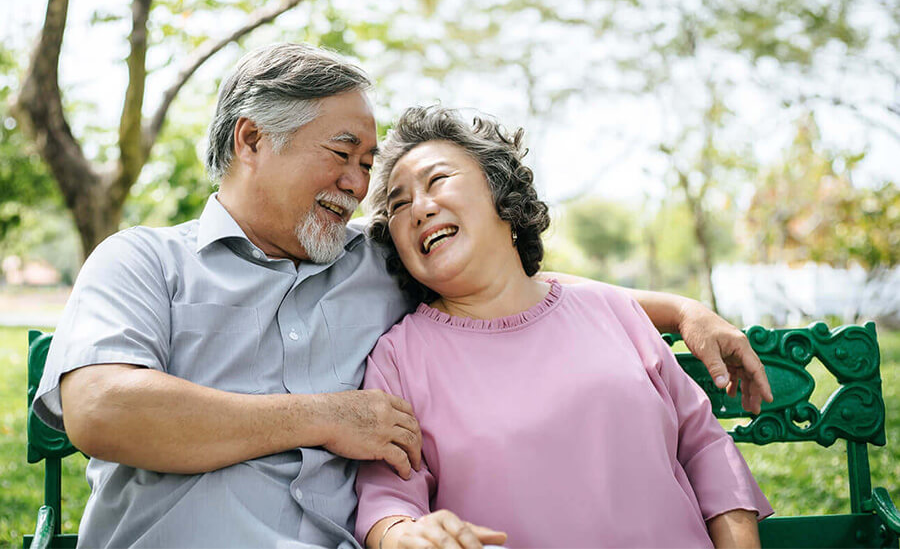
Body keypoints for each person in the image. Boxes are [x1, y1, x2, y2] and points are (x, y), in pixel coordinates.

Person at [33, 43, 771, 548]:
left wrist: (676, 309)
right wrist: (323, 417)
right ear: (253, 140)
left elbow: (509, 284)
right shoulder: (141, 262)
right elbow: (103, 409)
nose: (361, 187)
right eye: (344, 154)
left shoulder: (378, 258)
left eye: (366, 166)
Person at [355, 106, 773, 549]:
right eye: (398, 204)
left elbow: (705, 449)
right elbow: (389, 501)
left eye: (438, 181)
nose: (418, 208)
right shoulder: (398, 358)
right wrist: (403, 536)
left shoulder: (613, 309)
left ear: (502, 195)